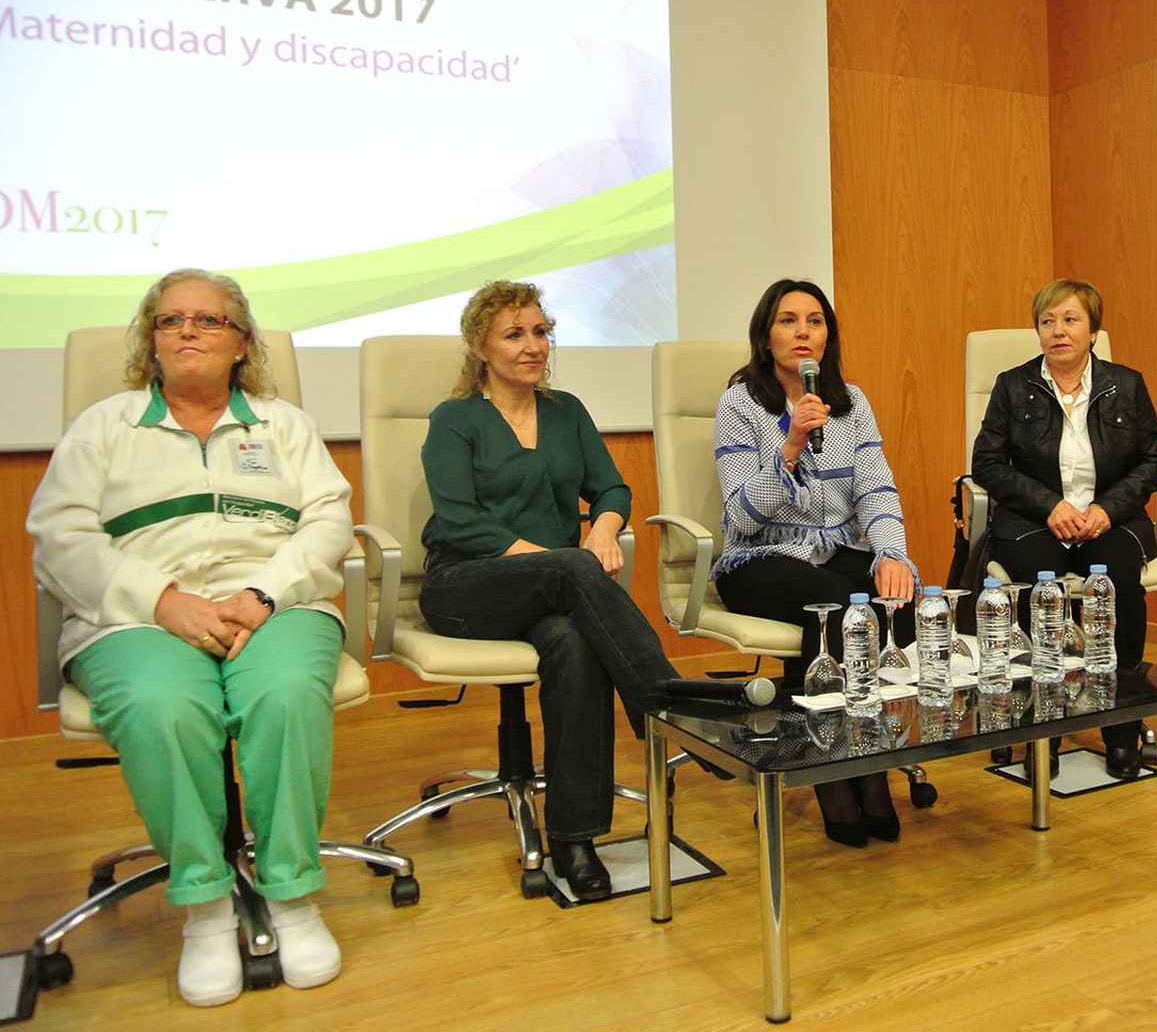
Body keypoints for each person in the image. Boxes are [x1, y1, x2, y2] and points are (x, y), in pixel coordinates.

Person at [28, 269, 352, 1007]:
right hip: (134, 614)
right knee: (164, 705)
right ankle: (205, 907)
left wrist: (263, 594)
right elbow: (59, 535)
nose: (186, 332)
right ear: (151, 340)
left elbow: (328, 519)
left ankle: (293, 895)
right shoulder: (104, 426)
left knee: (285, 693)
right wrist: (163, 600)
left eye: (207, 320)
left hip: (273, 603)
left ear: (241, 343)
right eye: (170, 320)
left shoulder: (284, 425)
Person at [417, 280, 679, 901]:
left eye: (540, 332)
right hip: (464, 584)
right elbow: (460, 520)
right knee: (570, 575)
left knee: (577, 645)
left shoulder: (566, 412)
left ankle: (573, 837)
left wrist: (604, 530)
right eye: (514, 334)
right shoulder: (454, 420)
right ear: (480, 347)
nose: (533, 345)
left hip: (554, 591)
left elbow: (611, 490)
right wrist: (563, 562)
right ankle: (670, 711)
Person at [712, 278, 917, 847]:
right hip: (760, 556)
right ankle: (830, 773)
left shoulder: (853, 403)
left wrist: (892, 554)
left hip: (835, 549)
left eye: (815, 321)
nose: (802, 332)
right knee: (836, 606)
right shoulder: (740, 403)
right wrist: (790, 447)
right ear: (766, 336)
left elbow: (876, 490)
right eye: (788, 320)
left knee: (894, 601)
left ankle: (869, 760)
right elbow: (741, 515)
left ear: (828, 337)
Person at [970, 278, 1157, 779]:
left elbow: (1152, 462)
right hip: (1034, 522)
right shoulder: (1012, 385)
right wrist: (1050, 505)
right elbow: (987, 463)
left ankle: (1121, 728)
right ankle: (1043, 733)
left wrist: (1106, 508)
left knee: (1119, 586)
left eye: (1070, 319)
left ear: (1093, 331)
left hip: (1108, 520)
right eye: (1047, 321)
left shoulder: (1127, 385)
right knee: (1042, 593)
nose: (1058, 331)